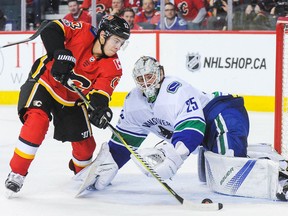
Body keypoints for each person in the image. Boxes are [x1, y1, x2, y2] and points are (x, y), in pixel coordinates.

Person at [77, 56, 288, 201]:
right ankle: (267, 156)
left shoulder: (174, 90)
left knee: (229, 174)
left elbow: (193, 127)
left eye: (149, 77)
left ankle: (281, 178)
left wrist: (174, 157)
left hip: (222, 115)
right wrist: (110, 163)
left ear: (160, 73)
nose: (145, 83)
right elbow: (126, 141)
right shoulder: (134, 102)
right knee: (213, 176)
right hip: (207, 134)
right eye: (140, 79)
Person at [4, 14, 130, 195]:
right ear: (103, 35)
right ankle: (17, 173)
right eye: (116, 40)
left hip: (72, 99)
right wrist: (59, 52)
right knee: (37, 123)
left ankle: (81, 174)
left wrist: (99, 110)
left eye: (122, 43)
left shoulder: (114, 67)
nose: (118, 46)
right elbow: (50, 28)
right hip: (45, 83)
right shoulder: (82, 31)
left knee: (86, 146)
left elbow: (101, 94)